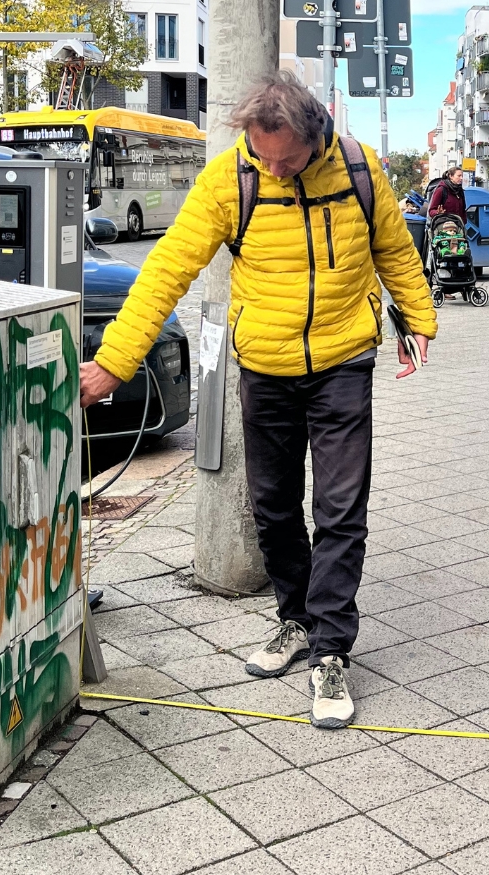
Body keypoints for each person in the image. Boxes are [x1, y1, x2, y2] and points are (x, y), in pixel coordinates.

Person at [77, 72, 437, 729]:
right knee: (272, 505)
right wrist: (112, 363)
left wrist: (417, 322)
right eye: (262, 155)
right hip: (264, 366)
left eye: (288, 159)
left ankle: (331, 650)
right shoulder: (230, 178)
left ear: (317, 136)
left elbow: (394, 250)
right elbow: (166, 272)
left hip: (343, 361)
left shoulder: (359, 168)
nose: (273, 168)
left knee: (339, 507)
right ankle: (295, 619)